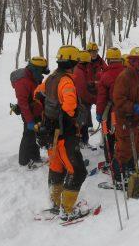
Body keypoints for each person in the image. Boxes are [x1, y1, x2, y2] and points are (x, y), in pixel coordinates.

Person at [35, 46, 88, 220]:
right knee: (77, 171)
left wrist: (48, 107)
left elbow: (37, 93)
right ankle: (67, 209)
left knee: (56, 168)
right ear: (72, 63)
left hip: (51, 134)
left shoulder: (51, 78)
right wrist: (74, 115)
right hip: (64, 134)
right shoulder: (66, 81)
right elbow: (70, 107)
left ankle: (56, 203)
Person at [111, 47, 139, 183]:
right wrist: (134, 107)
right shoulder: (124, 77)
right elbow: (118, 100)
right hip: (125, 119)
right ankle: (118, 177)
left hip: (136, 120)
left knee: (137, 146)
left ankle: (130, 170)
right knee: (124, 149)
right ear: (135, 61)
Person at [10, 56, 49, 167]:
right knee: (28, 134)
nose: (42, 74)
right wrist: (30, 121)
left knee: (35, 134)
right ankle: (24, 161)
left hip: (36, 110)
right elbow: (23, 104)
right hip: (28, 113)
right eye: (41, 71)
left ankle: (35, 157)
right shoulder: (22, 81)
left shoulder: (34, 76)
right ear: (35, 69)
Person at [96, 47, 126, 160]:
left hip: (112, 110)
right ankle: (124, 159)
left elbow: (102, 97)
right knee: (124, 134)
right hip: (127, 108)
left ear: (108, 60)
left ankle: (110, 159)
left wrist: (99, 113)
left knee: (109, 135)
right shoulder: (127, 72)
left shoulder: (106, 75)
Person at [73, 50, 95, 147]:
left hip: (80, 101)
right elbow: (82, 92)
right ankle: (83, 141)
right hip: (81, 102)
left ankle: (83, 140)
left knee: (83, 121)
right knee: (83, 121)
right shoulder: (79, 72)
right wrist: (93, 99)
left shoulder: (80, 70)